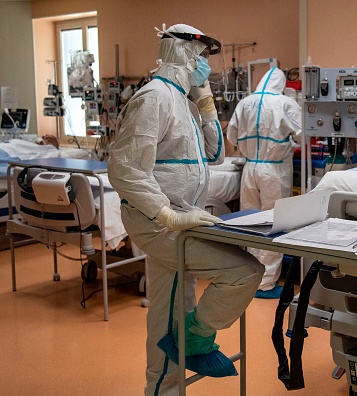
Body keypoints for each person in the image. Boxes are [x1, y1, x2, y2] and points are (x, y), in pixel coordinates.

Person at [107, 24, 263, 395]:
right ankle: (193, 338)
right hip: (161, 224)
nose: (206, 66)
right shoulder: (153, 98)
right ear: (184, 54)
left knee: (168, 307)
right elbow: (125, 168)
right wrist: (169, 215)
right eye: (203, 58)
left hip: (179, 221)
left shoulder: (182, 102)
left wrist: (206, 102)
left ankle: (163, 386)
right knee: (244, 271)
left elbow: (215, 153)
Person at [227, 67, 302, 298]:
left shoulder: (245, 102)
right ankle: (267, 283)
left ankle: (250, 278)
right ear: (281, 84)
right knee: (273, 224)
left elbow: (231, 135)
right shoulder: (285, 103)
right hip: (274, 169)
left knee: (250, 223)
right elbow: (302, 135)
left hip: (250, 167)